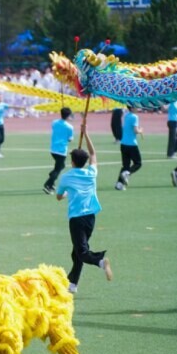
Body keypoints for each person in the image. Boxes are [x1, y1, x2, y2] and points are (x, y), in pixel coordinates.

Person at [56, 124, 112, 294]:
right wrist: (86, 133)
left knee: (82, 251)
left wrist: (65, 194)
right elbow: (93, 154)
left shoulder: (66, 177)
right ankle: (73, 284)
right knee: (77, 252)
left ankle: (100, 261)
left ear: (72, 162)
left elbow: (59, 196)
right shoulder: (91, 172)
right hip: (91, 218)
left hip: (77, 218)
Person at [43, 107, 74, 194]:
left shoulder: (54, 122)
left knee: (60, 166)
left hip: (53, 149)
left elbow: (55, 129)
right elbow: (70, 139)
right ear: (68, 115)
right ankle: (48, 184)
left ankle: (51, 178)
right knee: (58, 169)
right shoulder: (69, 127)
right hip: (61, 150)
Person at [115, 106, 143, 190]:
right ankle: (127, 173)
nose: (137, 108)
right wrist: (140, 130)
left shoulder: (127, 115)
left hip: (123, 144)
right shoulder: (135, 117)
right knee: (138, 163)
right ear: (132, 108)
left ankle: (119, 184)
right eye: (136, 107)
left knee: (125, 165)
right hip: (132, 144)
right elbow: (135, 130)